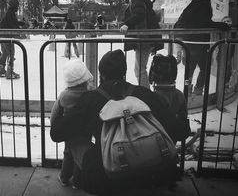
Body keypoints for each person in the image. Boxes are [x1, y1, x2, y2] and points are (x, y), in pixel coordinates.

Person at [50, 49, 189, 195]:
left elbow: (57, 134)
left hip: (108, 177)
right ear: (124, 72)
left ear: (101, 75)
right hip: (154, 173)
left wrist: (62, 111)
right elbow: (181, 132)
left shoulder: (90, 99)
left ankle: (79, 178)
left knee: (73, 137)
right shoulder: (144, 94)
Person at [174, 0, 230, 95]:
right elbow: (205, 23)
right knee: (205, 69)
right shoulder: (203, 6)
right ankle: (198, 90)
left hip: (189, 43)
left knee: (189, 71)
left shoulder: (192, 5)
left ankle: (187, 90)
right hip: (199, 44)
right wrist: (222, 25)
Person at [51, 59, 93, 189]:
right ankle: (77, 181)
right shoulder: (90, 93)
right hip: (85, 130)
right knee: (81, 155)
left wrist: (55, 125)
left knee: (68, 154)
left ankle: (64, 178)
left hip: (69, 131)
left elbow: (55, 113)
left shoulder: (64, 96)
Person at [120, 0, 163, 89]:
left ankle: (146, 93)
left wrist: (127, 24)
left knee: (140, 70)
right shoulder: (143, 3)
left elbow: (139, 15)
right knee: (138, 69)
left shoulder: (137, 2)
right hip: (146, 39)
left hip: (144, 40)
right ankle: (146, 91)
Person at [149, 54, 191, 142]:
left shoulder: (152, 97)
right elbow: (183, 118)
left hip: (155, 139)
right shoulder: (179, 95)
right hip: (173, 138)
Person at [0, 0, 24, 79]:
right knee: (11, 53)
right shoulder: (10, 13)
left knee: (5, 53)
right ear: (15, 5)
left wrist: (21, 23)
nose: (18, 7)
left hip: (2, 35)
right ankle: (9, 71)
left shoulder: (9, 13)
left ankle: (1, 70)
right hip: (7, 36)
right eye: (17, 5)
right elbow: (12, 25)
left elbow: (13, 23)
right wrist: (20, 31)